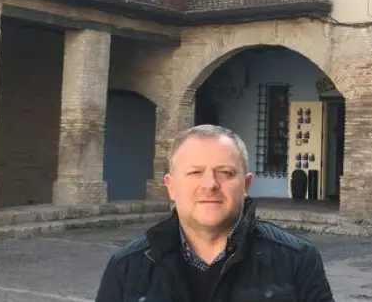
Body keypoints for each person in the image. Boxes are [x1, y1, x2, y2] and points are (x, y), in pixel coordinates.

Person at [94, 124, 336, 302]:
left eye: (225, 173)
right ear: (171, 186)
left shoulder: (297, 259)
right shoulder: (127, 266)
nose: (210, 184)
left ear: (246, 185)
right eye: (195, 172)